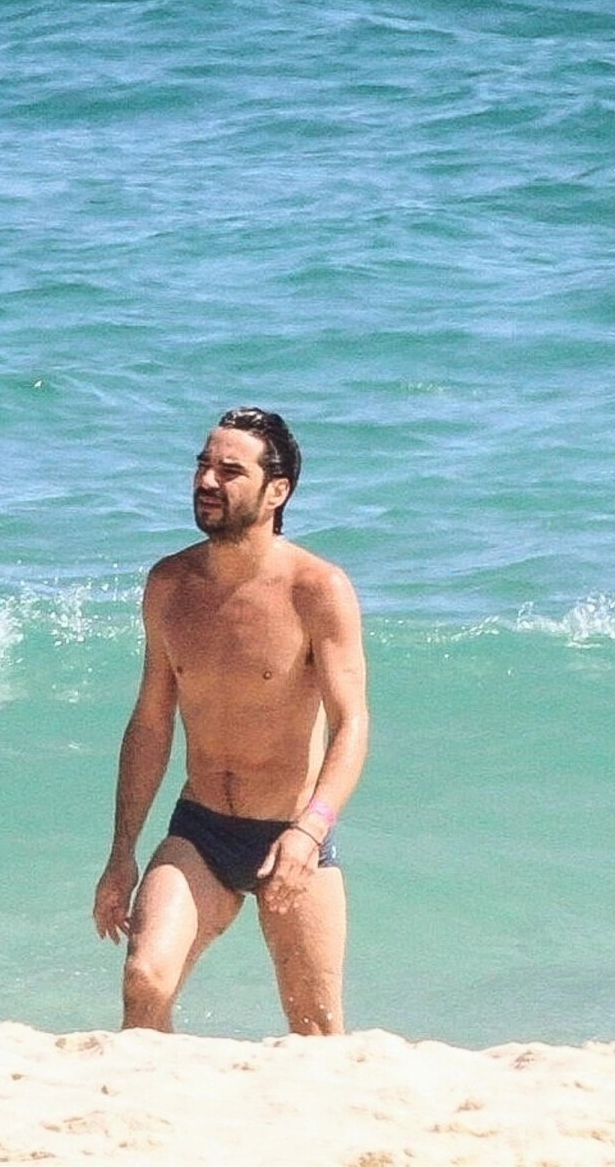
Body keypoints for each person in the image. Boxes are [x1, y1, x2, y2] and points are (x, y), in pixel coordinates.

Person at [92, 408, 368, 1035]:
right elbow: (151, 722)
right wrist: (121, 854)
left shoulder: (316, 588)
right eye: (202, 465)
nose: (207, 481)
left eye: (229, 470)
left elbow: (352, 723)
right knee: (144, 981)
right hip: (202, 831)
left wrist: (311, 830)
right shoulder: (170, 584)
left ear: (278, 491)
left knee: (318, 1033)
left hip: (292, 837)